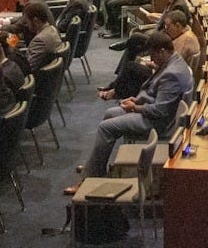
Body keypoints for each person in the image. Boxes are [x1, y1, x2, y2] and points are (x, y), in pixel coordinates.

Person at [72, 32, 193, 186]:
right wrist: (137, 99)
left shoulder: (172, 74)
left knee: (105, 128)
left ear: (162, 51)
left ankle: (90, 177)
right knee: (110, 114)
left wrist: (136, 107)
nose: (152, 59)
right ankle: (96, 166)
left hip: (159, 123)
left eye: (153, 55)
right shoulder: (174, 62)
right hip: (153, 111)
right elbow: (157, 97)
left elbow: (160, 111)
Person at [23, 0, 62, 72]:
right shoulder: (52, 29)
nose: (26, 25)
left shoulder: (40, 40)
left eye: (27, 22)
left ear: (35, 21)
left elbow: (29, 68)